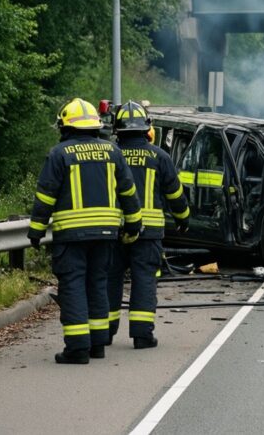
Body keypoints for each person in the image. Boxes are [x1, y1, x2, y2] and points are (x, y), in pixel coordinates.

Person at [28, 98, 142, 364]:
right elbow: (127, 191)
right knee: (97, 284)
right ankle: (98, 344)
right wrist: (134, 224)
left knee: (73, 286)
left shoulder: (59, 154)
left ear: (65, 126)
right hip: (105, 235)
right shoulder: (112, 151)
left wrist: (36, 230)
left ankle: (78, 347)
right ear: (95, 125)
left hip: (71, 236)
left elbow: (46, 195)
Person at [108, 101, 191, 350]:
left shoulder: (111, 154)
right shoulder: (160, 157)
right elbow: (175, 194)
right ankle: (142, 335)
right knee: (144, 280)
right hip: (149, 234)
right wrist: (183, 219)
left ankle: (105, 332)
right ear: (147, 128)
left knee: (110, 279)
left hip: (115, 231)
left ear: (118, 129)